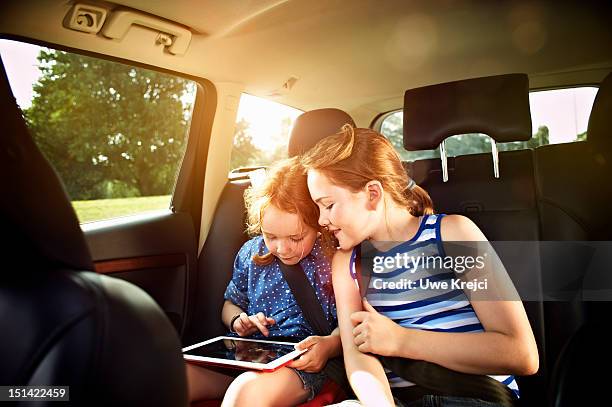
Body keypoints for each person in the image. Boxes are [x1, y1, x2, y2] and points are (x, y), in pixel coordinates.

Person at [301, 125, 539, 406]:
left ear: (373, 194)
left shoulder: (452, 234)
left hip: (474, 396)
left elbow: (521, 354)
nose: (321, 220)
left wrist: (401, 341)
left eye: (328, 205)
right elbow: (358, 359)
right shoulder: (347, 263)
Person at [186, 157, 341, 406]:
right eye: (271, 236)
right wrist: (239, 321)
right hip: (250, 356)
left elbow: (349, 324)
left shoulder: (331, 259)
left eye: (296, 237)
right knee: (173, 377)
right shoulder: (252, 254)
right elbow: (230, 304)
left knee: (245, 393)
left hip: (303, 366)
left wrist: (329, 346)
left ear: (318, 225)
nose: (282, 248)